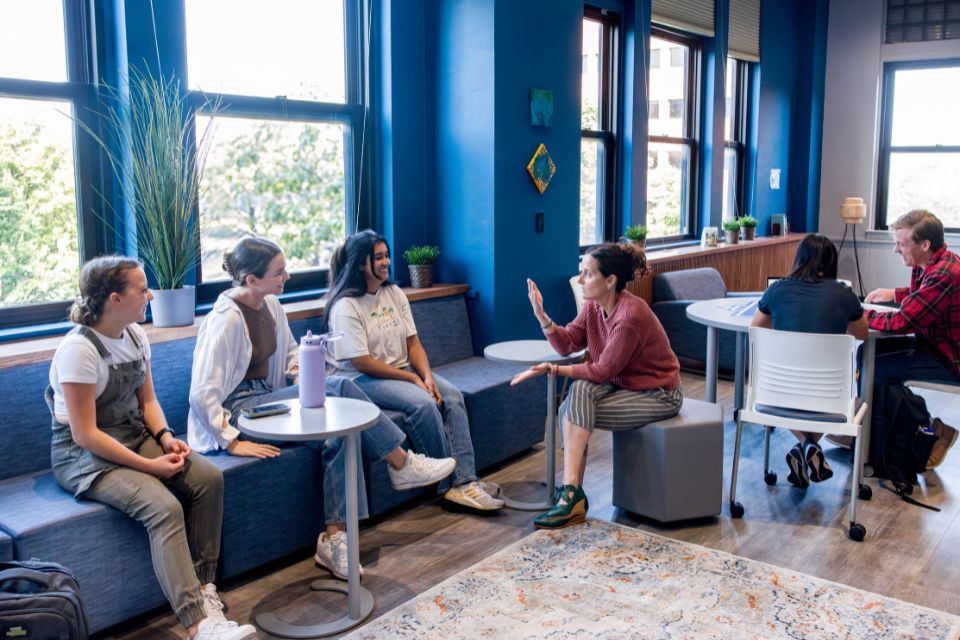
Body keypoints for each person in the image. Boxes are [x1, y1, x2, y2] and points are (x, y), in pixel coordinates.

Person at [188, 237, 455, 580]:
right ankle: (401, 462)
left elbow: (288, 358)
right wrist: (230, 440)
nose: (287, 277)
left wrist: (306, 378)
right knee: (342, 385)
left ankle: (334, 541)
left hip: (269, 399)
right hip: (239, 410)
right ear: (251, 279)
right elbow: (202, 393)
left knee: (340, 432)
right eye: (279, 272)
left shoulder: (272, 307)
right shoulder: (224, 319)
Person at [48, 256, 256, 640]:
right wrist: (152, 468)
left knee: (208, 479)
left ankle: (204, 588)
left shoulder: (134, 335)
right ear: (114, 298)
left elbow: (148, 404)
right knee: (163, 507)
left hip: (132, 434)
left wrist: (165, 438)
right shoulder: (80, 351)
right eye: (142, 289)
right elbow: (86, 435)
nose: (149, 295)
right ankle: (197, 624)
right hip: (85, 455)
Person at [322, 230, 504, 511]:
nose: (386, 262)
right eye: (378, 257)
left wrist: (427, 376)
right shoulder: (345, 305)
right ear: (361, 263)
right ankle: (453, 485)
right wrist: (413, 379)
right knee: (422, 403)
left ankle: (466, 481)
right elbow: (361, 361)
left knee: (452, 396)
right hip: (360, 378)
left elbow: (413, 342)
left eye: (386, 255)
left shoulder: (393, 293)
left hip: (400, 366)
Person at [514, 243, 683, 529]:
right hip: (622, 385)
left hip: (657, 393)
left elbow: (603, 369)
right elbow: (567, 343)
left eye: (587, 274)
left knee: (571, 409)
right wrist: (542, 316)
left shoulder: (630, 316)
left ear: (610, 280)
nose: (580, 280)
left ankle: (569, 497)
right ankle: (571, 493)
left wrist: (553, 369)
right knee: (578, 393)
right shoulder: (594, 307)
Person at [750, 234, 868, 488]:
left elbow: (756, 328)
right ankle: (810, 445)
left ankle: (805, 447)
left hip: (777, 390)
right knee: (848, 381)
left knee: (796, 391)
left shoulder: (777, 289)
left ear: (799, 259)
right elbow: (861, 333)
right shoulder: (844, 293)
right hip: (829, 393)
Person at [860, 210, 960, 469]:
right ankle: (871, 433)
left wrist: (858, 316)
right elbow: (921, 295)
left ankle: (927, 429)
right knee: (866, 354)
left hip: (950, 359)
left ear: (925, 244)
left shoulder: (944, 274)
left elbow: (904, 322)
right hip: (932, 345)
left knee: (876, 368)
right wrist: (893, 292)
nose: (895, 249)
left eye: (902, 243)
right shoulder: (931, 264)